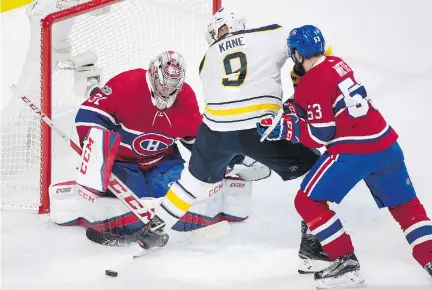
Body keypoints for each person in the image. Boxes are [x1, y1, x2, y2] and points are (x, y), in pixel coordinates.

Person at [140, 8, 327, 271]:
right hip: (261, 127)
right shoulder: (269, 34)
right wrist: (302, 76)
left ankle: (152, 232)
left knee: (191, 182)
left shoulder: (206, 60)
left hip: (215, 128)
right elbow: (304, 44)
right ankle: (314, 245)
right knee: (317, 169)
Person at [257, 25, 432, 288]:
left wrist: (286, 127)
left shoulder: (311, 81)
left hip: (354, 151)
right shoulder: (339, 64)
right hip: (386, 145)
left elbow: (320, 135)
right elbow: (330, 100)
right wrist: (298, 105)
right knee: (407, 207)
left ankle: (344, 262)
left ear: (297, 53)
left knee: (307, 201)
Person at [49, 50, 267, 245]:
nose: (166, 91)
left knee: (173, 202)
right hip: (122, 162)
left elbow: (200, 140)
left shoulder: (186, 99)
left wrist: (228, 160)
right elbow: (87, 115)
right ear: (153, 75)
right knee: (132, 204)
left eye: (173, 87)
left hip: (162, 160)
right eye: (163, 84)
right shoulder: (126, 84)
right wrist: (95, 148)